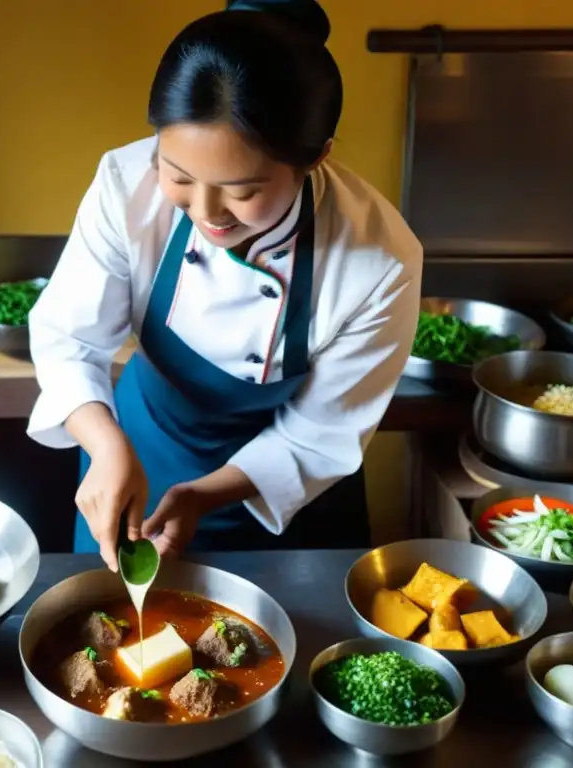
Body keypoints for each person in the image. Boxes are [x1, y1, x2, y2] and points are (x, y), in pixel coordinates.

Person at [26, 0, 422, 571]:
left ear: (315, 159)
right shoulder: (125, 183)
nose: (207, 213)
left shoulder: (378, 261)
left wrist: (202, 495)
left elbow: (323, 432)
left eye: (241, 190)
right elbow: (68, 337)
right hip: (136, 451)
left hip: (285, 490)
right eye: (179, 176)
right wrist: (105, 447)